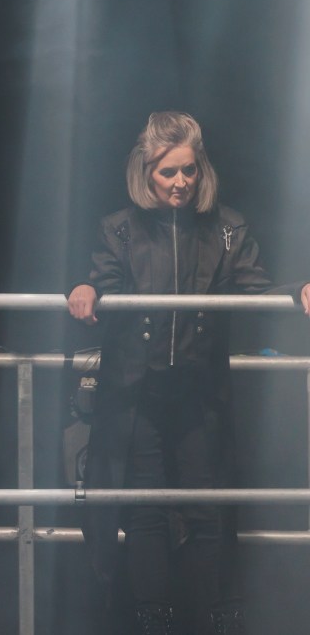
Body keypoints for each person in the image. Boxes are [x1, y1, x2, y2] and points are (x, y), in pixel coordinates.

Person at [67, 111, 310, 635]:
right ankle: (153, 623)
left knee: (208, 511)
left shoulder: (226, 227)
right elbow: (100, 283)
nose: (180, 182)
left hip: (200, 394)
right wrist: (84, 290)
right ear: (146, 173)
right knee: (145, 513)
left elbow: (256, 289)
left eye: (189, 170)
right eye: (168, 171)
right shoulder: (120, 228)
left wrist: (299, 291)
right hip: (137, 395)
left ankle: (214, 622)